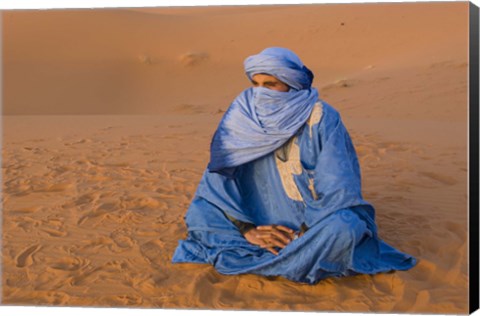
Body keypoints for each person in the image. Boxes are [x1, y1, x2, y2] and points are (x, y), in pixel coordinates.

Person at [172, 47, 416, 284]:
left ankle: (289, 252)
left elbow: (338, 184)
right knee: (199, 214)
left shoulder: (320, 116)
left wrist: (305, 232)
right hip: (257, 219)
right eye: (255, 84)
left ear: (293, 85)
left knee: (346, 227)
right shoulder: (242, 115)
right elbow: (216, 183)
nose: (260, 93)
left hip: (313, 223)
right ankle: (299, 257)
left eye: (270, 85)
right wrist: (247, 229)